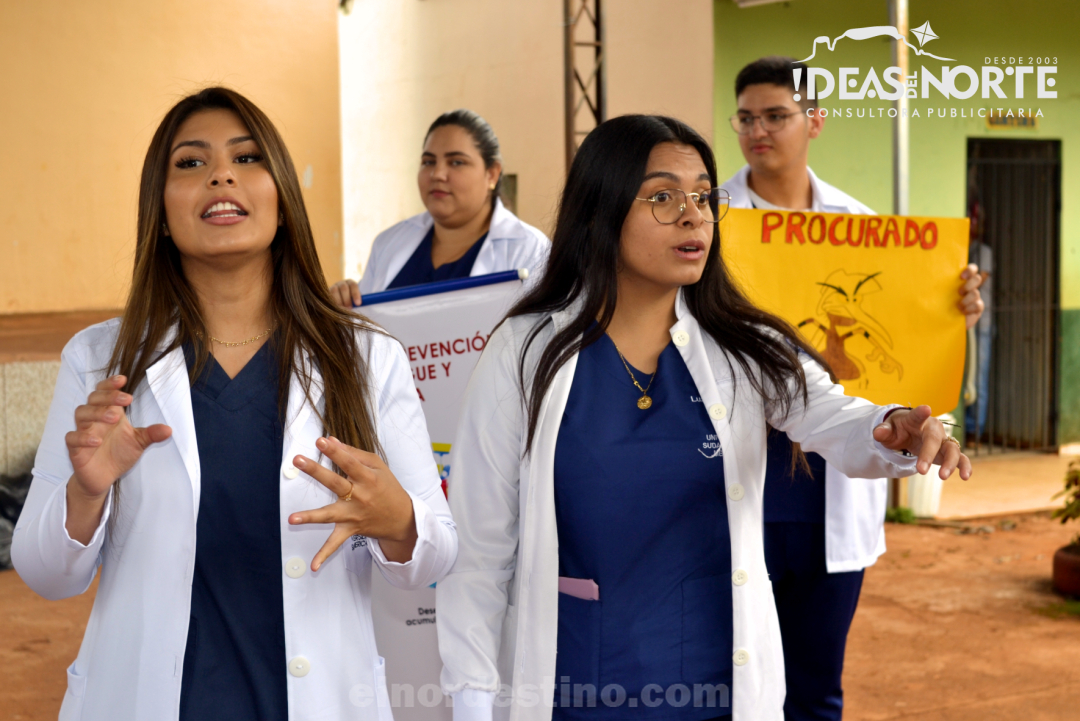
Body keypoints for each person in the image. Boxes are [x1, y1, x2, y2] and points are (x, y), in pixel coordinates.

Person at [436, 114, 970, 721]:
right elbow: (478, 554)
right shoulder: (527, 351)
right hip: (576, 689)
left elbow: (833, 416)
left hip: (717, 689)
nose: (693, 215)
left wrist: (892, 425)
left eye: (702, 196)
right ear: (599, 212)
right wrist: (474, 703)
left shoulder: (743, 348)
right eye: (662, 197)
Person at [11, 87, 457, 721]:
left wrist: (399, 521)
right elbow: (46, 574)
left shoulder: (365, 358)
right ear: (160, 213)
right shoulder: (101, 359)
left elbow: (434, 555)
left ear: (282, 200)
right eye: (190, 163)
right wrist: (85, 494)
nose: (221, 174)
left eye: (247, 158)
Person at [720, 56, 984, 721]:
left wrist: (955, 315)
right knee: (728, 682)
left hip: (827, 501)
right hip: (738, 482)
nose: (760, 130)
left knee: (814, 687)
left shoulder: (867, 232)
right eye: (747, 117)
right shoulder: (713, 224)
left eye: (777, 115)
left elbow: (906, 362)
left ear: (815, 120)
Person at [330, 109, 549, 307]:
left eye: (456, 162)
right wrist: (341, 308)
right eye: (428, 162)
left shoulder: (530, 250)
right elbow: (364, 333)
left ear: (491, 174)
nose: (437, 174)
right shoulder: (389, 243)